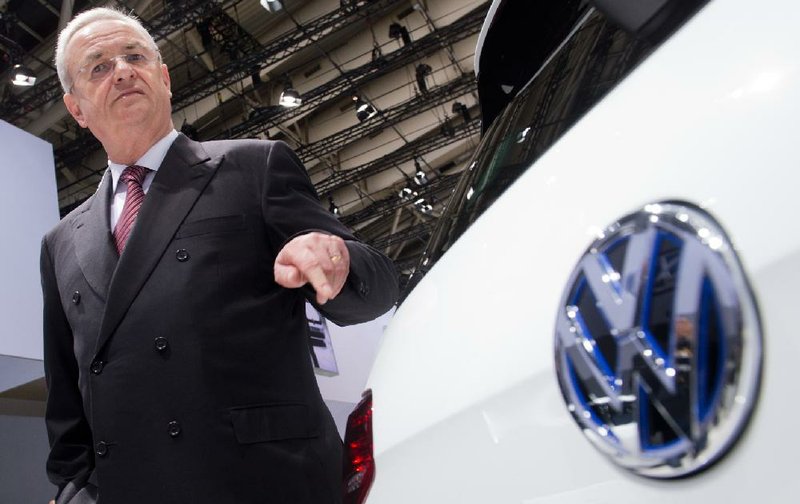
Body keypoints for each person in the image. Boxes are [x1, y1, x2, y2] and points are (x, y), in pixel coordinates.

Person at [40, 7, 398, 504]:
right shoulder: (60, 242)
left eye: (135, 56)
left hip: (268, 481)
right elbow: (66, 397)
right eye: (98, 67)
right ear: (75, 109)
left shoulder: (254, 165)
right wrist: (75, 488)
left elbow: (377, 284)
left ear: (164, 78)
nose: (122, 70)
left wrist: (340, 259)